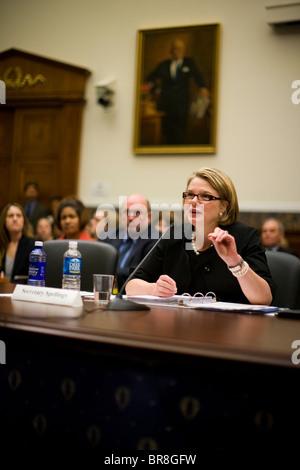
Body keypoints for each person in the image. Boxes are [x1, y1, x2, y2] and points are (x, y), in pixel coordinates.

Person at [126, 168, 275, 305]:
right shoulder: (174, 235)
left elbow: (264, 299)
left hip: (230, 328)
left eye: (205, 196)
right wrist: (154, 289)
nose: (194, 202)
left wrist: (235, 262)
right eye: (190, 195)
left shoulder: (244, 236)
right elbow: (131, 285)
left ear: (224, 206)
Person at [146, 38, 209, 145]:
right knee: (166, 133)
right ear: (171, 51)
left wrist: (202, 87)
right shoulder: (164, 65)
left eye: (180, 49)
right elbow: (149, 78)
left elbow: (198, 76)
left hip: (182, 105)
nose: (177, 52)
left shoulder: (189, 63)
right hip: (166, 104)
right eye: (175, 49)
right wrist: (156, 89)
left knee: (180, 133)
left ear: (184, 50)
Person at [100, 193, 160, 290]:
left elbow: (141, 273)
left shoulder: (157, 241)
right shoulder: (106, 237)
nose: (131, 217)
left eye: (137, 213)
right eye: (127, 212)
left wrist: (110, 273)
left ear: (149, 217)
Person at [0, 203, 35, 283]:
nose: (15, 219)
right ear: (4, 220)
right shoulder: (1, 244)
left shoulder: (32, 246)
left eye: (18, 215)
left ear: (24, 220)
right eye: (11, 216)